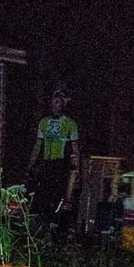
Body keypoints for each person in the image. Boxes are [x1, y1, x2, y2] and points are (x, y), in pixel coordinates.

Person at [26, 87, 82, 233]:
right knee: (42, 193)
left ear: (64, 104)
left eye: (59, 102)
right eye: (54, 101)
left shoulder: (70, 123)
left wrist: (77, 169)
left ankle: (57, 222)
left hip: (61, 163)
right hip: (46, 163)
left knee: (58, 194)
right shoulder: (43, 122)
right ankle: (43, 222)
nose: (56, 104)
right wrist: (31, 164)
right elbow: (38, 144)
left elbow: (75, 148)